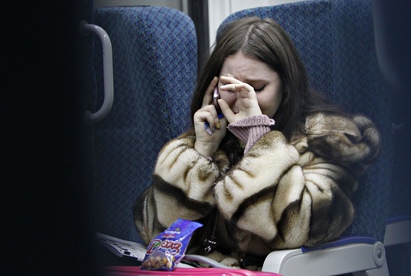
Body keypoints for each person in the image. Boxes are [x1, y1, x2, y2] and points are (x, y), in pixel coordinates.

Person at [133, 16, 380, 268]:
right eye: (231, 86)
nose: (244, 100)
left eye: (257, 88)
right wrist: (201, 152)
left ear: (286, 87)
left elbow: (302, 228)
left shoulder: (327, 140)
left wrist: (259, 143)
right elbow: (156, 233)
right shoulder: (213, 137)